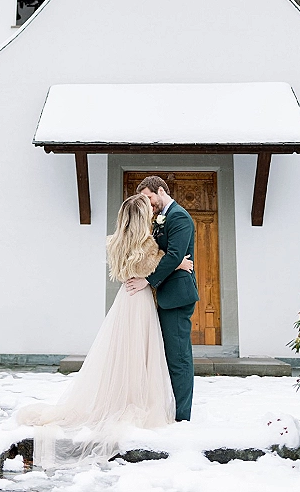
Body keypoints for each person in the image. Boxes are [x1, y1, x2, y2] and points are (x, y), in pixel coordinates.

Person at [16, 193, 193, 468]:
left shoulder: (116, 242)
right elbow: (161, 263)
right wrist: (180, 263)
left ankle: (122, 394)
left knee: (123, 350)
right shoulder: (145, 245)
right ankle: (134, 398)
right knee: (138, 350)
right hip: (140, 302)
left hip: (125, 299)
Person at [125, 176, 199, 421]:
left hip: (177, 297)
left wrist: (148, 280)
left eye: (148, 197)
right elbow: (165, 255)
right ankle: (168, 409)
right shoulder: (159, 218)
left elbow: (175, 254)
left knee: (178, 358)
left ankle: (183, 416)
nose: (148, 204)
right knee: (165, 356)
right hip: (164, 294)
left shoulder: (179, 216)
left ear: (160, 190)